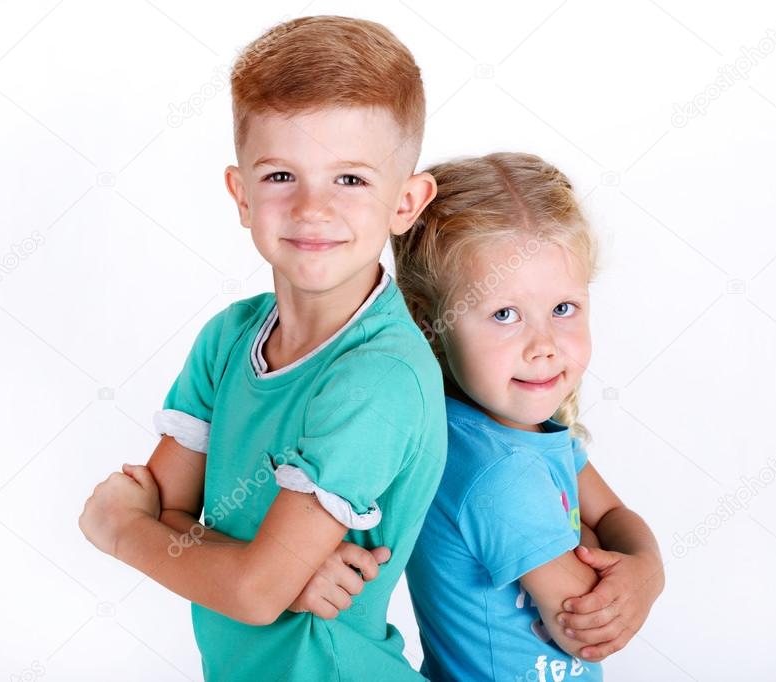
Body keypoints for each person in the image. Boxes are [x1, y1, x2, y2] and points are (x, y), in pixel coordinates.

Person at [78, 16, 445, 681]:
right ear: (241, 194)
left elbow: (227, 579)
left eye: (351, 180)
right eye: (281, 176)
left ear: (405, 202)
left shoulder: (378, 379)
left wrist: (122, 534)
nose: (312, 207)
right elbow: (170, 513)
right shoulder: (229, 338)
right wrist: (277, 571)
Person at [394, 152, 666, 681]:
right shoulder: (499, 473)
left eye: (563, 309)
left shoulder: (520, 434)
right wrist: (623, 559)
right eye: (504, 315)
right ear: (429, 322)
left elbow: (610, 517)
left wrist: (646, 569)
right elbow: (585, 631)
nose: (543, 346)